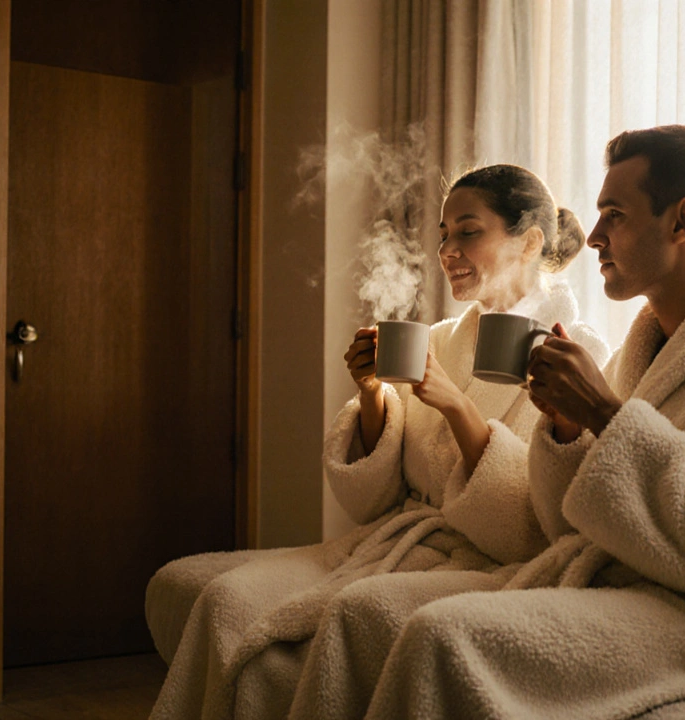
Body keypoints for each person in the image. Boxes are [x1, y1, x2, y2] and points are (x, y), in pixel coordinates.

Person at [291, 125, 685, 720]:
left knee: (442, 637)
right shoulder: (646, 354)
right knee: (362, 617)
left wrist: (605, 415)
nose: (591, 237)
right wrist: (566, 430)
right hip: (620, 587)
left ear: (681, 221)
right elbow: (568, 524)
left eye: (613, 215)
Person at [143, 164, 608, 720]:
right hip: (396, 544)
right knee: (225, 599)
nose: (446, 249)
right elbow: (372, 500)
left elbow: (530, 526)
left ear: (529, 241)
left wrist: (455, 405)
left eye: (467, 231)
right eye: (442, 234)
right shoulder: (439, 341)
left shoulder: (578, 356)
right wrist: (371, 394)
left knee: (320, 622)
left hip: (486, 564)